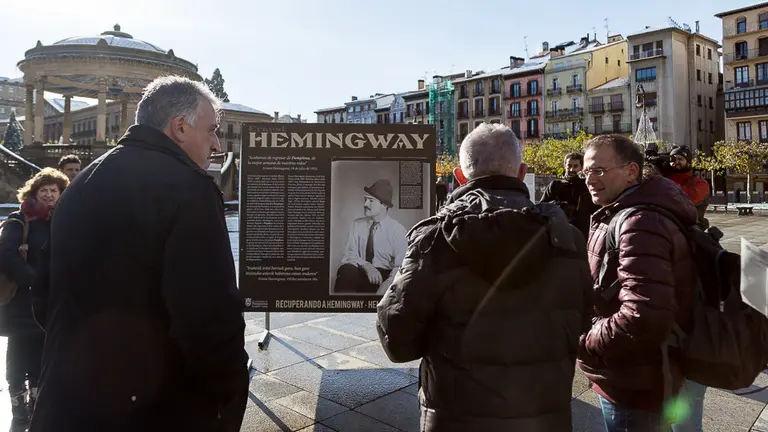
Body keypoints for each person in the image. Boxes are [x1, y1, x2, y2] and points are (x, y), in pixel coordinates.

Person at [29, 76, 249, 432]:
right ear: (180, 127)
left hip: (66, 401)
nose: (217, 144)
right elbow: (208, 317)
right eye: (211, 130)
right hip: (154, 407)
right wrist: (230, 395)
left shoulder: (79, 185)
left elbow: (42, 295)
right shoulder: (190, 190)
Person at [376, 123, 591, 431]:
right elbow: (581, 321)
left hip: (454, 416)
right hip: (544, 416)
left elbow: (397, 340)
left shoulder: (433, 240)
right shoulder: (567, 238)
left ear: (460, 177)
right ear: (521, 173)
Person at [578, 134, 699, 431]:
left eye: (599, 170)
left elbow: (643, 315)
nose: (589, 179)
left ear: (632, 171)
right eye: (586, 172)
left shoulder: (639, 223)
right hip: (637, 373)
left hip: (633, 379)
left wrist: (586, 340)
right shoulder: (626, 211)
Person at [0, 168, 68, 426]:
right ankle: (18, 406)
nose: (50, 195)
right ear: (33, 194)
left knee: (43, 353)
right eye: (44, 191)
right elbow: (6, 255)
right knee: (18, 354)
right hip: (21, 301)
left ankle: (38, 402)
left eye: (54, 190)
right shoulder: (20, 220)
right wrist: (34, 280)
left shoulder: (64, 219)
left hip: (50, 301)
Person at [333, 179, 407, 295]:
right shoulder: (357, 225)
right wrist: (367, 266)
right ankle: (343, 310)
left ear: (384, 204)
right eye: (365, 199)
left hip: (386, 278)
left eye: (371, 201)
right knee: (346, 270)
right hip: (362, 272)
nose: (365, 204)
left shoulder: (398, 231)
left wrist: (385, 288)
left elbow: (401, 267)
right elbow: (349, 254)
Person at [540, 152, 600, 239]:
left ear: (582, 167)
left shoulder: (588, 187)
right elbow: (543, 207)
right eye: (569, 166)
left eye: (575, 166)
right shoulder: (555, 185)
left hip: (583, 234)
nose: (572, 169)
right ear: (565, 165)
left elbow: (597, 210)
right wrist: (560, 206)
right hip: (558, 234)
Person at [666, 145, 710, 228]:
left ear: (689, 162)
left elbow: (688, 199)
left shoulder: (700, 183)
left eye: (680, 159)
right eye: (673, 159)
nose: (676, 162)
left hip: (690, 230)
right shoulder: (662, 178)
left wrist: (662, 181)